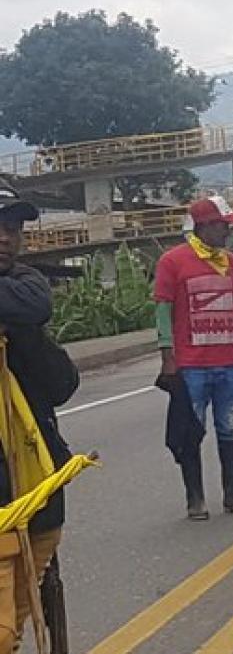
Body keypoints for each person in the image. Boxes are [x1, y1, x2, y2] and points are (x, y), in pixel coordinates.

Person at [0, 186, 84, 651]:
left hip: (33, 486)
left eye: (12, 228)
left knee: (20, 611)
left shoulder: (27, 286)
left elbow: (62, 385)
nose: (5, 237)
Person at [155, 197, 233, 519]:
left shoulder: (229, 262)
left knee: (231, 428)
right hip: (191, 366)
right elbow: (163, 310)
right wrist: (168, 356)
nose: (227, 230)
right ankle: (195, 497)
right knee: (191, 434)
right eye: (221, 224)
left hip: (229, 363)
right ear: (202, 226)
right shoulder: (172, 262)